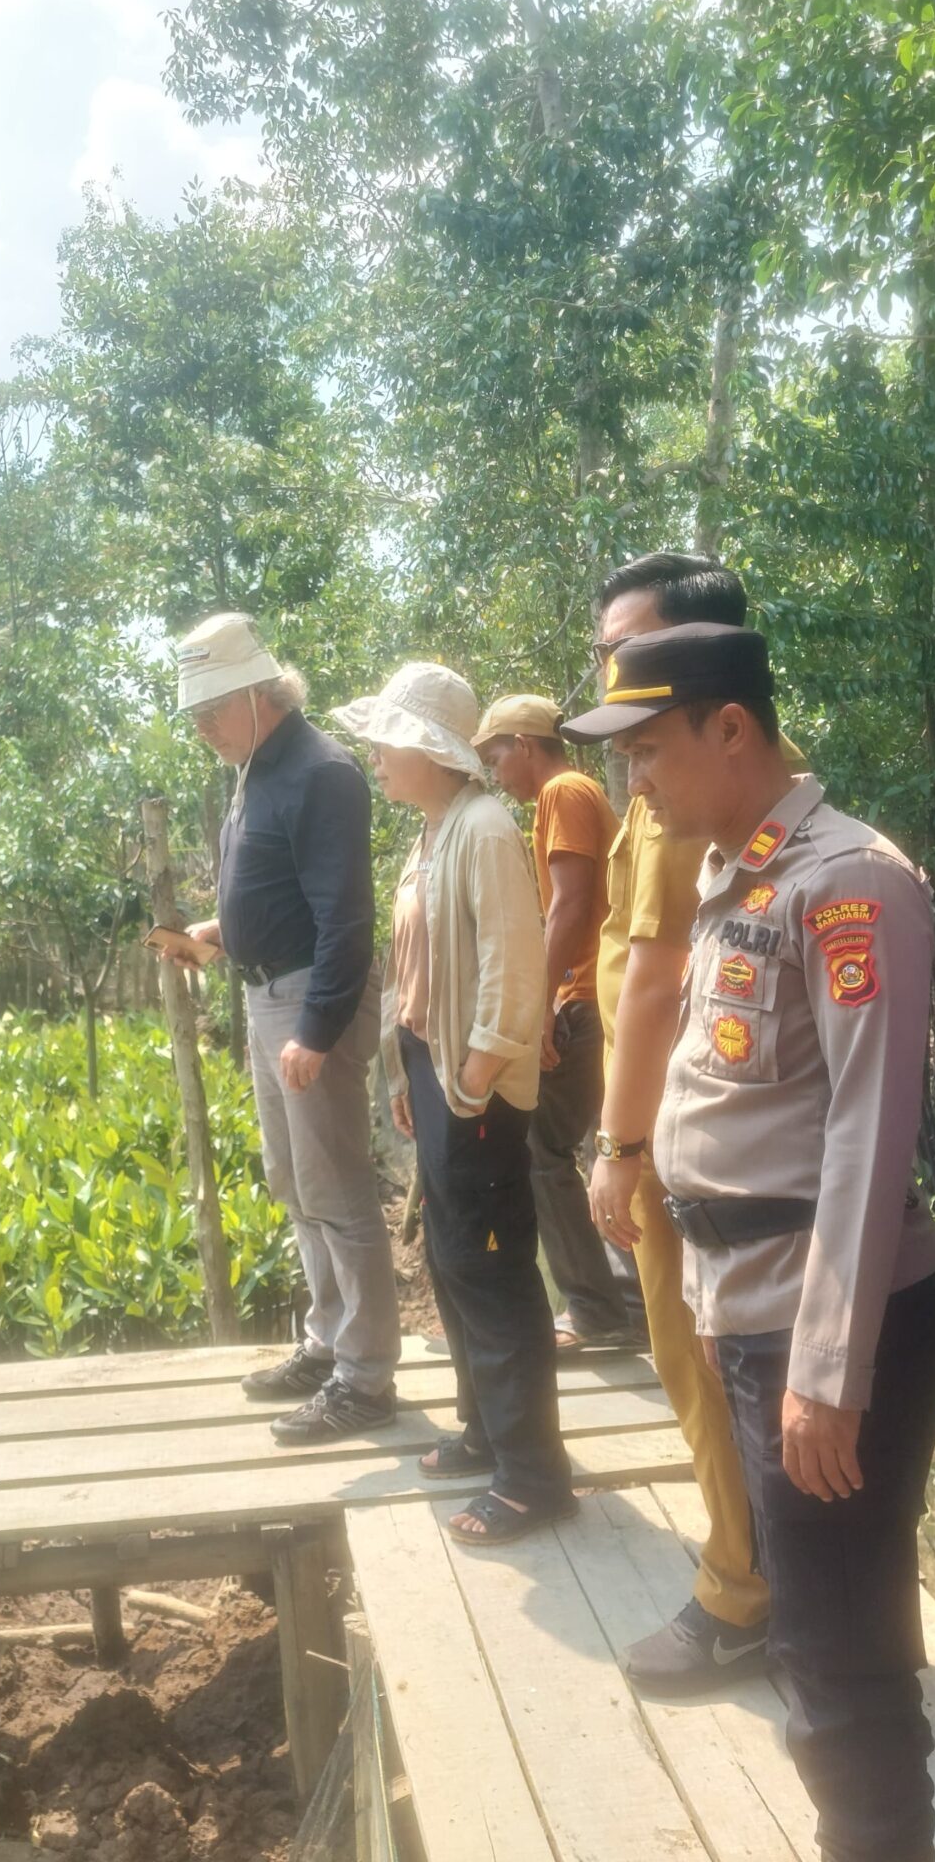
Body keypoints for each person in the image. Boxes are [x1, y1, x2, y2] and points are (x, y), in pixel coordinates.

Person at [568, 622, 935, 1861]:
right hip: (753, 1297)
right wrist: (695, 1272)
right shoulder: (734, 872)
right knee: (818, 1624)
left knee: (836, 1649)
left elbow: (866, 1135)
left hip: (824, 1313)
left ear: (730, 727)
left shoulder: (849, 883)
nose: (636, 781)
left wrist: (827, 1367)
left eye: (648, 750)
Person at [580, 552, 784, 1696]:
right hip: (671, 1116)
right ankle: (764, 1570)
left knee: (699, 1362)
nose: (613, 666)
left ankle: (739, 1594)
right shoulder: (662, 775)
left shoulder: (677, 793)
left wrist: (619, 1148)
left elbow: (655, 982)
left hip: (671, 1126)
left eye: (629, 645)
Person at [341, 662, 572, 1544]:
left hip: (475, 1086)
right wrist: (409, 1078)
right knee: (452, 1260)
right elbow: (415, 971)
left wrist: (473, 1080)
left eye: (388, 743)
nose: (375, 756)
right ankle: (486, 1434)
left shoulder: (483, 829)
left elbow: (514, 969)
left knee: (491, 1268)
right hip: (438, 1074)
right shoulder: (434, 831)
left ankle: (533, 1475)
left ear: (430, 750)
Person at [169, 612, 400, 1444]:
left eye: (211, 710)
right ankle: (328, 1344)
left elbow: (346, 919)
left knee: (336, 1188)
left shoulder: (320, 772)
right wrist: (223, 931)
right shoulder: (255, 769)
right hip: (269, 992)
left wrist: (318, 1027)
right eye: (196, 714)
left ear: (258, 695)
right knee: (295, 1184)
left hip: (307, 998)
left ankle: (366, 1379)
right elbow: (282, 892)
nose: (202, 727)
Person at [473, 693, 646, 1354]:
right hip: (595, 994)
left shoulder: (563, 790)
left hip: (586, 994)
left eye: (497, 758)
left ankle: (598, 1308)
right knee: (604, 1146)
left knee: (539, 1145)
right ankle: (630, 1301)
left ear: (525, 745)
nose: (496, 775)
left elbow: (570, 904)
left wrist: (540, 1003)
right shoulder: (570, 794)